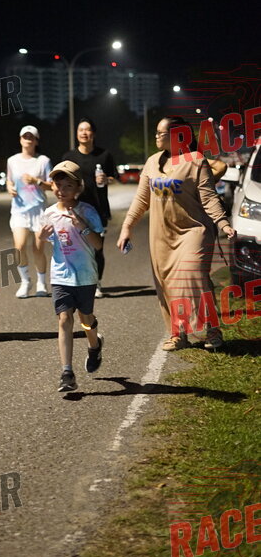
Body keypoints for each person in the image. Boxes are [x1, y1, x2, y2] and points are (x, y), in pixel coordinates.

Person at [116, 115, 236, 351]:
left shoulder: (196, 161)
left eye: (161, 133)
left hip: (194, 230)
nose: (156, 136)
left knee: (194, 277)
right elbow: (141, 199)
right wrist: (127, 226)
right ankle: (178, 334)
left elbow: (209, 197)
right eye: (156, 132)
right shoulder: (152, 162)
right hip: (161, 235)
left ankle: (212, 330)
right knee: (167, 284)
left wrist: (223, 223)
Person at [38, 160, 104, 392]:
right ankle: (67, 373)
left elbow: (98, 245)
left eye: (68, 186)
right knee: (64, 319)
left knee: (86, 319)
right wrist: (40, 237)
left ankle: (94, 345)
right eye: (58, 185)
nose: (61, 190)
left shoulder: (87, 212)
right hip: (61, 276)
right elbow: (41, 246)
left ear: (78, 188)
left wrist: (82, 226)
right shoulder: (48, 214)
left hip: (85, 276)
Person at [63, 118, 118, 298]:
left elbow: (114, 177)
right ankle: (77, 281)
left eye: (87, 130)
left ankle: (96, 282)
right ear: (77, 133)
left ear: (93, 133)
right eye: (81, 130)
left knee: (97, 248)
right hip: (75, 208)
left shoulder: (104, 155)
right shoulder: (69, 157)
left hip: (98, 209)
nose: (84, 133)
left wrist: (106, 179)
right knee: (75, 247)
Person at [6, 125, 52, 297]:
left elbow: (52, 186)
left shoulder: (43, 161)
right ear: (20, 139)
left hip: (39, 210)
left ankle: (41, 282)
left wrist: (36, 181)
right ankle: (25, 281)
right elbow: (9, 180)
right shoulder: (12, 161)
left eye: (31, 137)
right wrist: (9, 188)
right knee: (19, 247)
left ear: (36, 141)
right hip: (19, 210)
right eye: (25, 136)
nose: (28, 140)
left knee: (38, 249)